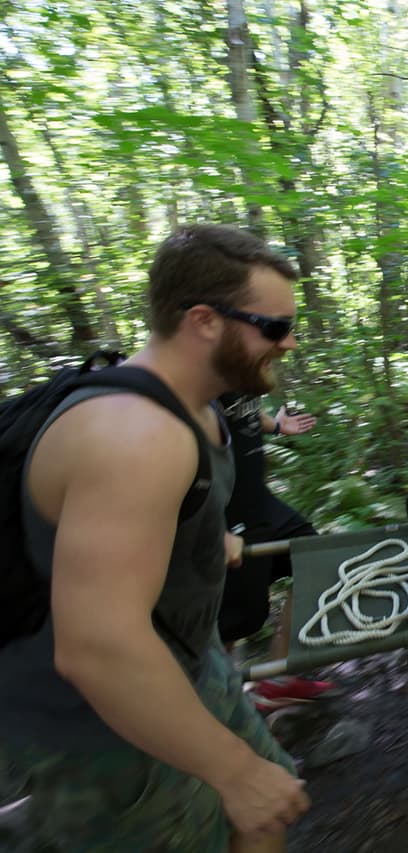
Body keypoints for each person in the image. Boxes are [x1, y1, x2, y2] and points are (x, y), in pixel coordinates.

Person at [0, 225, 310, 849]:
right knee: (250, 796)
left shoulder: (196, 409)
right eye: (273, 327)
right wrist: (234, 771)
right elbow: (98, 650)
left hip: (190, 669)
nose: (289, 342)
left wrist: (204, 538)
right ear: (203, 320)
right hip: (101, 733)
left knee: (272, 806)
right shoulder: (134, 436)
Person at [219, 393, 335, 712]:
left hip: (260, 503)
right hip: (221, 512)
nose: (288, 343)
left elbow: (245, 413)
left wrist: (276, 425)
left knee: (316, 561)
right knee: (229, 618)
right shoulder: (201, 368)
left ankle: (278, 679)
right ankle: (226, 704)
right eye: (276, 337)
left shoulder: (245, 370)